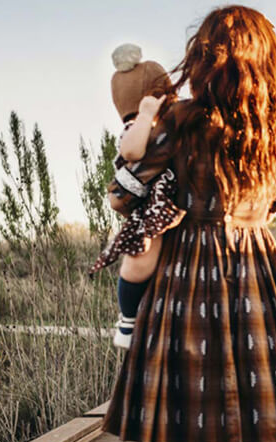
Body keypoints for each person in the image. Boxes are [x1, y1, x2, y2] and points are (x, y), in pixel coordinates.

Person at [102, 6, 276, 442]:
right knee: (235, 427)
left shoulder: (183, 119)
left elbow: (124, 195)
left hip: (187, 271)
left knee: (177, 435)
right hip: (254, 271)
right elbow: (275, 201)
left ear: (204, 57)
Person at [88, 44, 182, 349]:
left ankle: (142, 317)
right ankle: (127, 322)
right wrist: (145, 114)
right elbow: (130, 151)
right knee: (140, 258)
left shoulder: (168, 125)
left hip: (166, 202)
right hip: (152, 207)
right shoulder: (136, 126)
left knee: (151, 261)